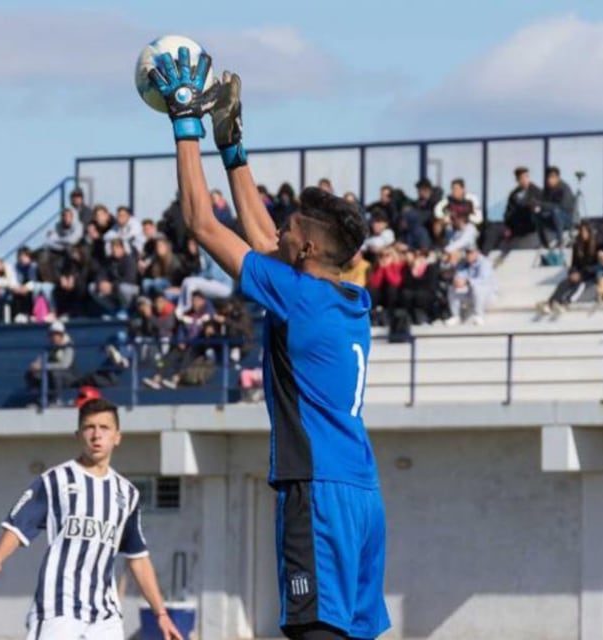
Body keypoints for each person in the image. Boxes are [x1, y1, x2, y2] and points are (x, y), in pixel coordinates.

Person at [148, 52, 388, 639]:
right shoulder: (343, 298)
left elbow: (206, 227)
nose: (279, 229)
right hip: (361, 492)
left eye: (292, 229)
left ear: (305, 252)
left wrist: (186, 125)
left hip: (320, 491)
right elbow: (265, 238)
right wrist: (233, 151)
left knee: (316, 632)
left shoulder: (300, 299)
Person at [0, 398, 182, 640]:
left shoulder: (126, 494)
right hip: (58, 608)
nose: (96, 435)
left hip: (105, 615)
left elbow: (138, 559)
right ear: (78, 434)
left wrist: (161, 614)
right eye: (89, 428)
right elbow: (18, 525)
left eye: (104, 428)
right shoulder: (55, 480)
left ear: (117, 437)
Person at [24, 321, 77, 405]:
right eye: (51, 335)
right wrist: (35, 365)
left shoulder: (68, 347)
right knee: (32, 373)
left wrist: (44, 366)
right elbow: (40, 360)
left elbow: (64, 365)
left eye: (56, 334)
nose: (53, 337)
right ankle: (37, 398)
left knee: (55, 373)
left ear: (61, 335)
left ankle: (57, 399)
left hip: (69, 376)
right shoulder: (49, 348)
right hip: (51, 374)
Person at [447, 247, 497, 326]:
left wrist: (467, 281)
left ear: (477, 253)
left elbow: (483, 280)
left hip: (487, 295)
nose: (468, 255)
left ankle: (479, 315)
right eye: (467, 253)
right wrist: (457, 281)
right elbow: (459, 276)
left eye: (471, 253)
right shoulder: (463, 263)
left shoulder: (485, 262)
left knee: (477, 287)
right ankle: (456, 316)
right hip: (471, 294)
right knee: (452, 288)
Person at [503, 167, 543, 247]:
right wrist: (508, 226)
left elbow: (541, 208)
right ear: (517, 180)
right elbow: (509, 212)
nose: (525, 180)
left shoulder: (536, 191)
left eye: (526, 177)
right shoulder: (514, 194)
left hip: (532, 223)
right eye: (522, 178)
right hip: (518, 224)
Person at [540, 166, 575, 248]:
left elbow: (563, 207)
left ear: (557, 177)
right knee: (536, 215)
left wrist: (545, 205)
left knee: (556, 211)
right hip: (552, 218)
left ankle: (560, 241)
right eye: (548, 177)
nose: (549, 180)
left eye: (552, 177)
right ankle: (544, 243)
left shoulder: (565, 188)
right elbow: (543, 204)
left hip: (566, 219)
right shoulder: (547, 190)